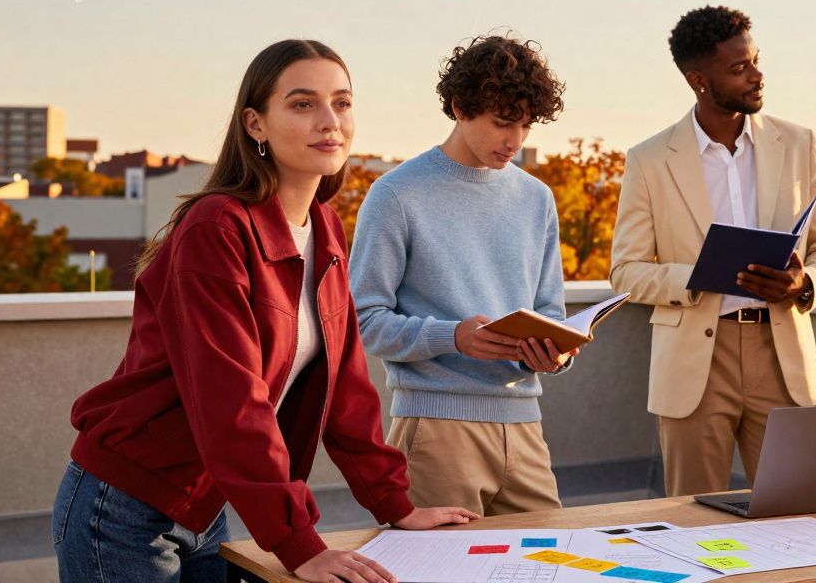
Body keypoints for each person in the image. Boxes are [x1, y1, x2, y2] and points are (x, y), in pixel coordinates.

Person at [53, 40, 477, 583]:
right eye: (303, 104)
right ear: (256, 124)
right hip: (121, 508)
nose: (330, 122)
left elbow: (347, 389)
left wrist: (395, 506)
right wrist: (299, 545)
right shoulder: (217, 229)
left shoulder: (324, 229)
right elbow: (230, 399)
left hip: (208, 505)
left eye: (342, 103)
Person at [609, 5, 816, 497]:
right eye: (739, 69)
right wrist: (697, 276)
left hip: (782, 356)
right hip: (696, 360)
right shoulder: (650, 159)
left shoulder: (800, 144)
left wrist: (805, 284)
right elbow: (626, 271)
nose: (757, 77)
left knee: (796, 514)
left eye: (756, 61)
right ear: (699, 80)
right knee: (693, 522)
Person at [350, 34, 574, 517]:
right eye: (501, 123)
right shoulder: (396, 194)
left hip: (525, 428)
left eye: (526, 125)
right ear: (459, 106)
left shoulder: (537, 198)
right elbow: (362, 320)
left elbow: (551, 311)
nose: (514, 140)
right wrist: (453, 337)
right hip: (436, 428)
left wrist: (555, 351)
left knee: (551, 566)